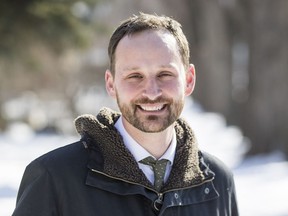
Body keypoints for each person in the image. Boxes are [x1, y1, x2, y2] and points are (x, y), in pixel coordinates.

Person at [12, 13, 239, 216]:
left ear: (189, 80)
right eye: (135, 76)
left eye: (165, 74)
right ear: (111, 84)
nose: (151, 92)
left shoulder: (218, 182)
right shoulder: (54, 177)